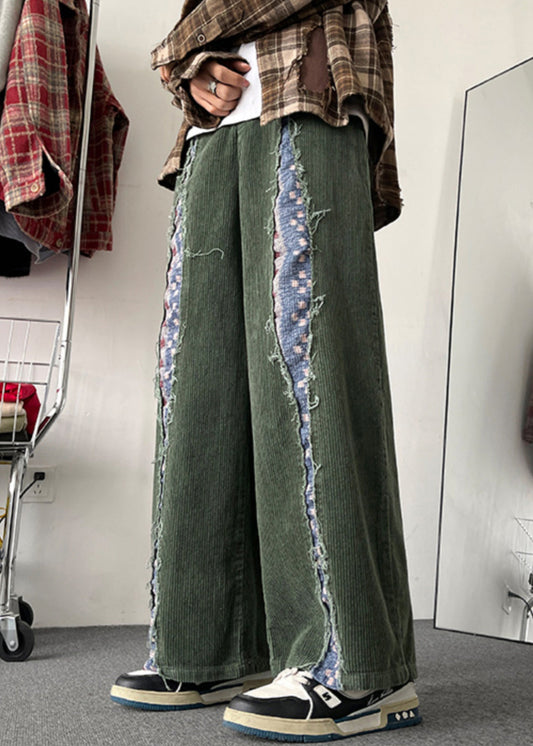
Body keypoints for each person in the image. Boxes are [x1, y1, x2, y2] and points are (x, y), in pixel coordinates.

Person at [110, 0, 421, 740]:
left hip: (309, 98)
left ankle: (356, 667)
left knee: (308, 377)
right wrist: (193, 69)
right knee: (197, 389)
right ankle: (206, 647)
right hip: (210, 137)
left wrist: (174, 51)